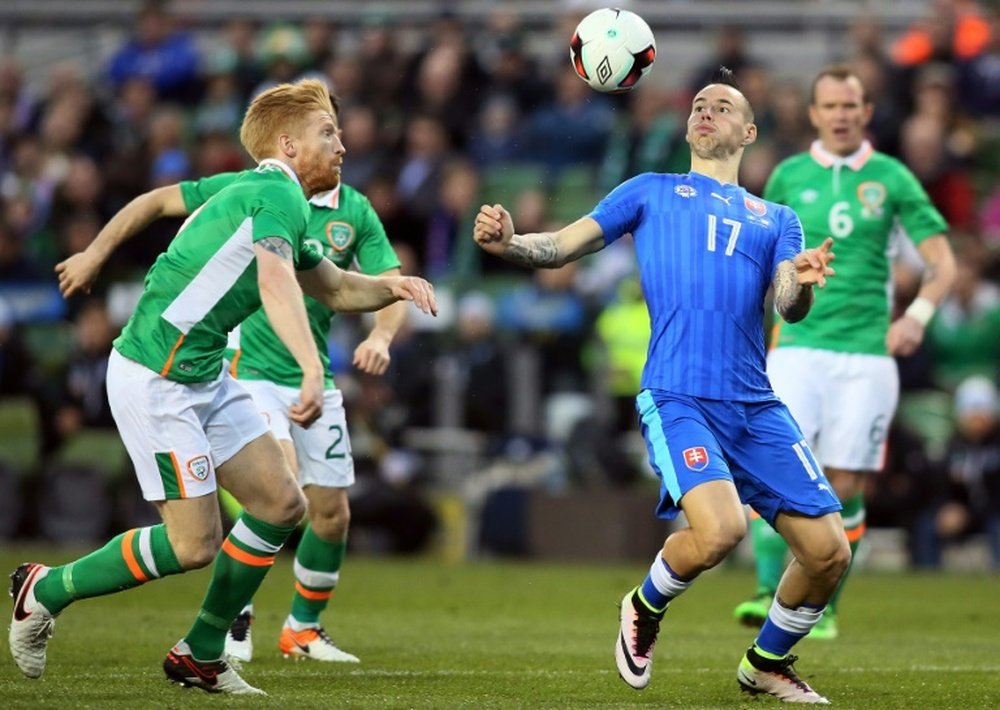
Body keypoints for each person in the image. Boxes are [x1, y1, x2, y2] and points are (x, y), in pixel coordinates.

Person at [9, 78, 437, 696]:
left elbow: (339, 288)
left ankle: (201, 654)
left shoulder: (266, 195)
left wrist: (394, 287)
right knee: (193, 545)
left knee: (282, 505)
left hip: (204, 373)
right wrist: (313, 368)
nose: (341, 144)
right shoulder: (274, 196)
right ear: (288, 145)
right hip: (155, 375)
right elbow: (274, 282)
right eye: (328, 133)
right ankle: (44, 589)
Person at [474, 67, 849, 704]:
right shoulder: (650, 190)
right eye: (698, 104)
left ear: (749, 131)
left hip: (754, 404)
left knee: (829, 553)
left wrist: (804, 280)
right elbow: (561, 248)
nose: (705, 111)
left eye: (722, 106)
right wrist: (511, 243)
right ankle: (644, 607)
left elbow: (788, 303)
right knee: (721, 532)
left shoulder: (776, 218)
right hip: (678, 394)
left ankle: (765, 664)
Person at [733, 65, 955, 640]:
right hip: (796, 347)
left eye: (850, 105)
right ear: (813, 114)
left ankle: (822, 607)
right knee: (774, 470)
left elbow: (943, 263)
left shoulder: (891, 177)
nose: (840, 115)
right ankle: (764, 590)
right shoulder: (787, 176)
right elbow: (762, 263)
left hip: (866, 355)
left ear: (866, 111)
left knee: (844, 485)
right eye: (829, 105)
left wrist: (918, 316)